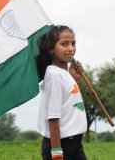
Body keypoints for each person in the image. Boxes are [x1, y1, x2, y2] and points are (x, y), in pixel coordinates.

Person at [36, 25, 88, 160]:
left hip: (75, 143)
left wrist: (74, 78)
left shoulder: (63, 74)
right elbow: (53, 116)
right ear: (51, 48)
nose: (71, 48)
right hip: (60, 146)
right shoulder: (54, 75)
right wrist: (57, 153)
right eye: (64, 44)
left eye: (73, 43)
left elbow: (69, 103)